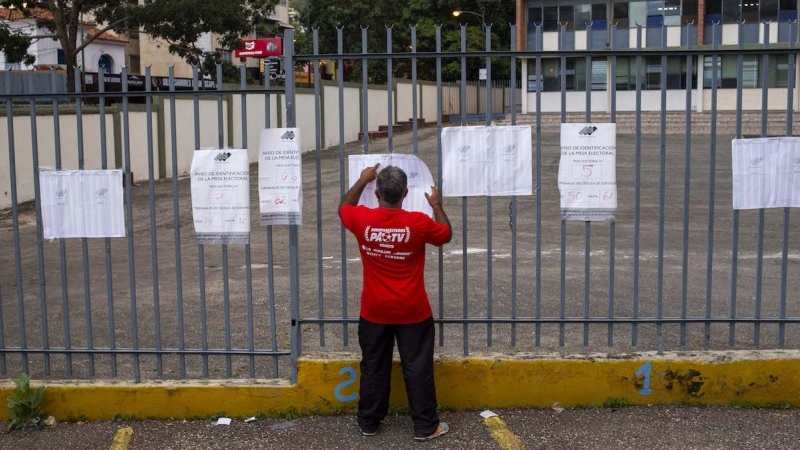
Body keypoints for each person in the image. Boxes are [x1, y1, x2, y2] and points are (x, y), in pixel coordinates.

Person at [338, 163, 452, 441]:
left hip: (374, 310)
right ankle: (426, 426)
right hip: (412, 311)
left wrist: (361, 180)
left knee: (374, 366)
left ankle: (369, 422)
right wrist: (436, 204)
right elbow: (445, 234)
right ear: (406, 192)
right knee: (418, 368)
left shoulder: (362, 220)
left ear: (376, 192)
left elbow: (343, 206)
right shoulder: (418, 222)